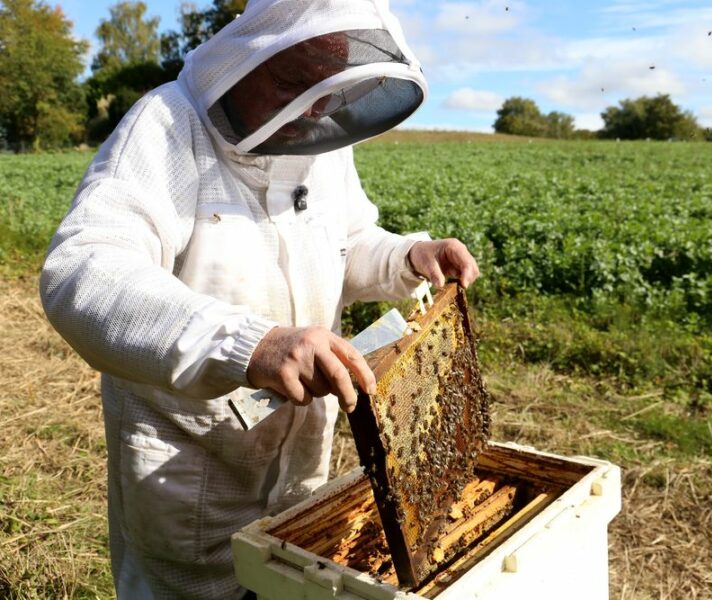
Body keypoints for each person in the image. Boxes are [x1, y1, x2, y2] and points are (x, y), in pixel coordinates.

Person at [39, 0, 479, 598]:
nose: (313, 108)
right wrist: (250, 344)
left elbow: (347, 241)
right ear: (248, 57)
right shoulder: (166, 126)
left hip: (299, 470)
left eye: (327, 90)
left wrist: (407, 256)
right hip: (191, 474)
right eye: (293, 83)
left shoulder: (321, 140)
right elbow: (84, 271)